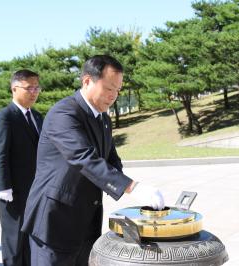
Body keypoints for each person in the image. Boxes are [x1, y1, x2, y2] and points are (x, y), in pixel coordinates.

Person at [22, 55, 165, 266]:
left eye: (118, 90)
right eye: (109, 89)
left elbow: (110, 160)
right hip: (55, 221)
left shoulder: (103, 118)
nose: (113, 96)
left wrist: (133, 190)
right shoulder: (64, 112)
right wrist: (131, 187)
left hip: (85, 220)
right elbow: (83, 157)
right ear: (87, 81)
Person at [0, 69, 43, 266]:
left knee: (32, 241)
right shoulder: (5, 117)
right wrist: (4, 187)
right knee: (14, 242)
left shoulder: (37, 117)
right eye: (29, 87)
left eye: (37, 87)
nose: (34, 92)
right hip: (13, 193)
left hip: (36, 191)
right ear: (14, 88)